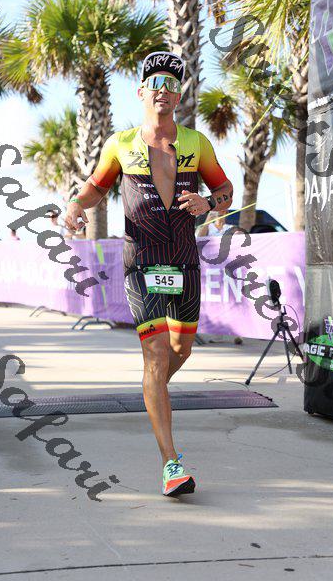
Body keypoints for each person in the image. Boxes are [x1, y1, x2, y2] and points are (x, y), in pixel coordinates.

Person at [64, 51, 233, 497]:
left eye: (172, 84)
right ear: (141, 92)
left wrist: (209, 204)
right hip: (142, 261)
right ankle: (171, 464)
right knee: (156, 356)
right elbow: (95, 188)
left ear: (179, 96)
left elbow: (224, 189)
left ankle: (152, 390)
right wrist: (75, 206)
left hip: (185, 260)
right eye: (155, 83)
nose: (163, 90)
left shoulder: (197, 144)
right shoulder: (120, 144)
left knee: (181, 349)